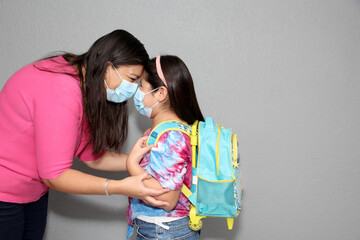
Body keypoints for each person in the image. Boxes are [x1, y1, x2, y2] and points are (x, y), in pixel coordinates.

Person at [0, 30, 170, 240]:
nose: (133, 89)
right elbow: (55, 175)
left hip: (34, 192)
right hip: (5, 193)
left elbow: (92, 156)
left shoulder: (82, 81)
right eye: (132, 79)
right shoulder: (62, 91)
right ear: (109, 65)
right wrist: (118, 187)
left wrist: (145, 159)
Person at [126, 55, 204, 239]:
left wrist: (132, 165)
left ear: (161, 93)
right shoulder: (170, 130)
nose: (136, 92)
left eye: (141, 85)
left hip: (163, 232)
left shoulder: (171, 137)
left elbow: (167, 199)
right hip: (164, 230)